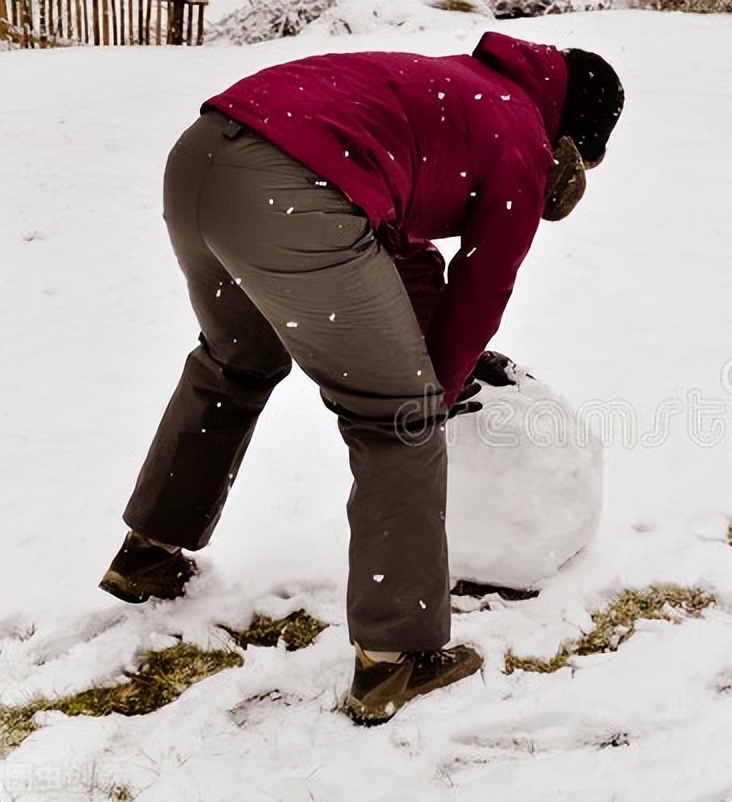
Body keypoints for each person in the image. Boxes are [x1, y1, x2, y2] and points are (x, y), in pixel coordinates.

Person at [97, 32, 624, 725]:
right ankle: (397, 656)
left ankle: (149, 552)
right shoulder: (522, 135)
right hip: (291, 189)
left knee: (236, 360)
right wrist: (434, 387)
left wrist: (422, 347)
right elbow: (485, 281)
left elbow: (392, 240)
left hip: (204, 158)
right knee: (398, 419)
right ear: (573, 137)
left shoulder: (461, 88)